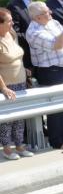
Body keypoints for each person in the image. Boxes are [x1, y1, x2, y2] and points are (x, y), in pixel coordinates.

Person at [26, 1, 63, 148]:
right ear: (38, 17)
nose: (51, 13)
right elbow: (58, 44)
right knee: (57, 109)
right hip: (52, 72)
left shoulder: (53, 22)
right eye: (47, 12)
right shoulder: (33, 32)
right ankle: (58, 141)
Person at [0, 8, 34, 160]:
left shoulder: (12, 33)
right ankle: (7, 149)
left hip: (20, 83)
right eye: (9, 21)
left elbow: (17, 56)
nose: (12, 23)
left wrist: (23, 69)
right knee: (7, 119)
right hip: (7, 86)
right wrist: (3, 88)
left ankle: (19, 145)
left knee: (19, 117)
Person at [7, 0, 40, 70]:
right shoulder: (14, 7)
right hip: (27, 59)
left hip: (39, 56)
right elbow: (14, 33)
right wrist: (36, 38)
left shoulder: (35, 5)